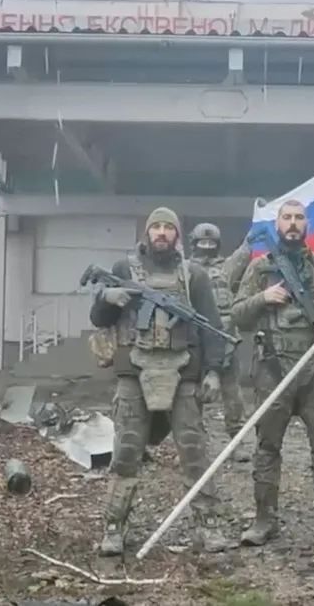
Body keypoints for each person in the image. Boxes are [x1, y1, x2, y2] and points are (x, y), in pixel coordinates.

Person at [87, 207, 232, 556]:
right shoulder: (124, 270)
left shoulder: (193, 275)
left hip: (184, 374)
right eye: (157, 227)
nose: (162, 233)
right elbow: (99, 318)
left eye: (169, 227)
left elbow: (212, 327)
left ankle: (209, 524)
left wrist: (214, 371)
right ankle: (114, 527)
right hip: (134, 373)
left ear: (177, 235)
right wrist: (106, 297)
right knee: (126, 452)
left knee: (194, 451)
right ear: (147, 233)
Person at [231, 200, 314, 546]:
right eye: (287, 217)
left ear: (307, 225)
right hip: (273, 368)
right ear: (277, 225)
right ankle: (264, 520)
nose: (293, 223)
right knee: (267, 446)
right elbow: (238, 315)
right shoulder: (260, 269)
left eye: (299, 218)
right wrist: (262, 298)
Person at [187, 222, 252, 462]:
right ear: (193, 244)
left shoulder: (227, 268)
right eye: (202, 243)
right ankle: (196, 445)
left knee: (233, 397)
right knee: (191, 397)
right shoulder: (185, 270)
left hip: (225, 341)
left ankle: (237, 443)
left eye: (211, 243)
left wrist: (257, 229)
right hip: (194, 343)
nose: (206, 247)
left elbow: (244, 252)